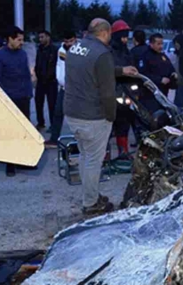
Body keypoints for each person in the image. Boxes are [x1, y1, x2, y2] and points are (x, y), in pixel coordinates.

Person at [63, 18, 137, 214]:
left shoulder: (76, 48)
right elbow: (107, 91)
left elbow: (92, 70)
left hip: (73, 112)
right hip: (93, 116)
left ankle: (91, 195)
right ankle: (90, 203)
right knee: (93, 160)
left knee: (85, 156)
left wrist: (121, 70)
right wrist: (111, 116)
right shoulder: (102, 53)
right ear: (105, 33)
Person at [0, 26, 37, 177]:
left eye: (22, 39)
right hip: (8, 100)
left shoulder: (22, 54)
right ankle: (10, 164)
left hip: (23, 98)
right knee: (10, 133)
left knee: (24, 131)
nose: (22, 42)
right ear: (10, 39)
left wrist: (29, 93)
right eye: (19, 39)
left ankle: (24, 161)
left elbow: (26, 75)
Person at [44, 30, 77, 149]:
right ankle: (54, 139)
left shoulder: (79, 51)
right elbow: (59, 65)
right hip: (63, 88)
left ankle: (79, 141)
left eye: (71, 41)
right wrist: (59, 79)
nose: (68, 44)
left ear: (75, 39)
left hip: (76, 89)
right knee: (58, 113)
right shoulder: (61, 50)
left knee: (76, 116)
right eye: (66, 41)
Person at [110, 20, 136, 160]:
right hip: (111, 93)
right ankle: (104, 156)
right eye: (122, 36)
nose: (125, 39)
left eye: (126, 36)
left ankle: (123, 152)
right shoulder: (109, 52)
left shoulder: (126, 52)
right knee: (108, 127)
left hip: (126, 92)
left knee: (124, 123)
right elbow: (107, 70)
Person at [34, 30, 58, 130]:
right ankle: (40, 123)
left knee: (52, 104)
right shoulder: (39, 49)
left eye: (42, 37)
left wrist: (51, 75)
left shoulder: (54, 49)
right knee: (38, 102)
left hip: (51, 81)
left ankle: (53, 125)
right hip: (40, 80)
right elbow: (38, 62)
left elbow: (55, 65)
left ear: (48, 37)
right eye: (39, 37)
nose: (40, 39)